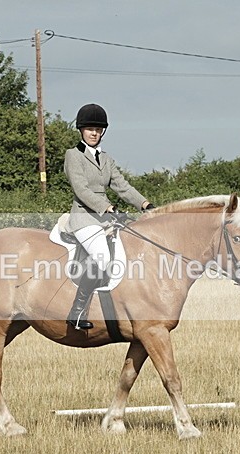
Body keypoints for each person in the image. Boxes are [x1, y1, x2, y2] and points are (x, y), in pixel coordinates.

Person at [64, 103, 155, 330]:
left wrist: (145, 204)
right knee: (102, 258)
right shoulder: (73, 156)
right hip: (84, 218)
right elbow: (81, 189)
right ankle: (76, 312)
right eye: (89, 129)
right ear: (81, 130)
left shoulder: (106, 159)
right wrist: (107, 207)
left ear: (103, 131)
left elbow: (122, 186)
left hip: (105, 219)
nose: (94, 133)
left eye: (98, 129)